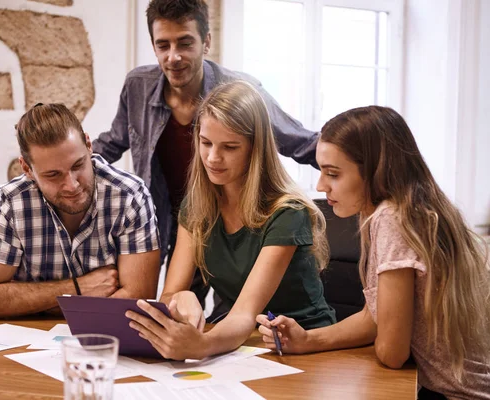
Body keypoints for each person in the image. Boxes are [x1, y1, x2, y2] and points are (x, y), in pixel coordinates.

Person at [257, 106, 490, 399]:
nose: (321, 185)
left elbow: (392, 352)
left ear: (375, 171)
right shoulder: (405, 209)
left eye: (333, 174)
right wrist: (307, 340)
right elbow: (373, 318)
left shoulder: (391, 218)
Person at [92, 0, 320, 311]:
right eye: (163, 45)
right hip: (161, 216)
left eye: (185, 43)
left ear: (206, 41)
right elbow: (112, 142)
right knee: (162, 307)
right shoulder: (137, 85)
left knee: (202, 314)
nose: (173, 57)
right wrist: (67, 168)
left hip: (213, 215)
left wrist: (362, 167)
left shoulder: (240, 91)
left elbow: (299, 141)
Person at [124, 80, 336, 360]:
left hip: (304, 346)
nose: (213, 158)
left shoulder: (288, 212)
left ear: (254, 149)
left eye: (230, 147)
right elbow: (170, 294)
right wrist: (180, 299)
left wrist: (202, 345)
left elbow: (245, 314)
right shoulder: (197, 206)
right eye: (206, 142)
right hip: (242, 345)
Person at [0, 103, 161, 319]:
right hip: (24, 341)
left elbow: (139, 298)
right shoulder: (9, 204)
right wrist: (77, 288)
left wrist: (34, 302)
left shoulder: (130, 196)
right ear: (27, 169)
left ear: (88, 145)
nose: (72, 185)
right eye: (53, 175)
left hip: (105, 341)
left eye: (78, 166)